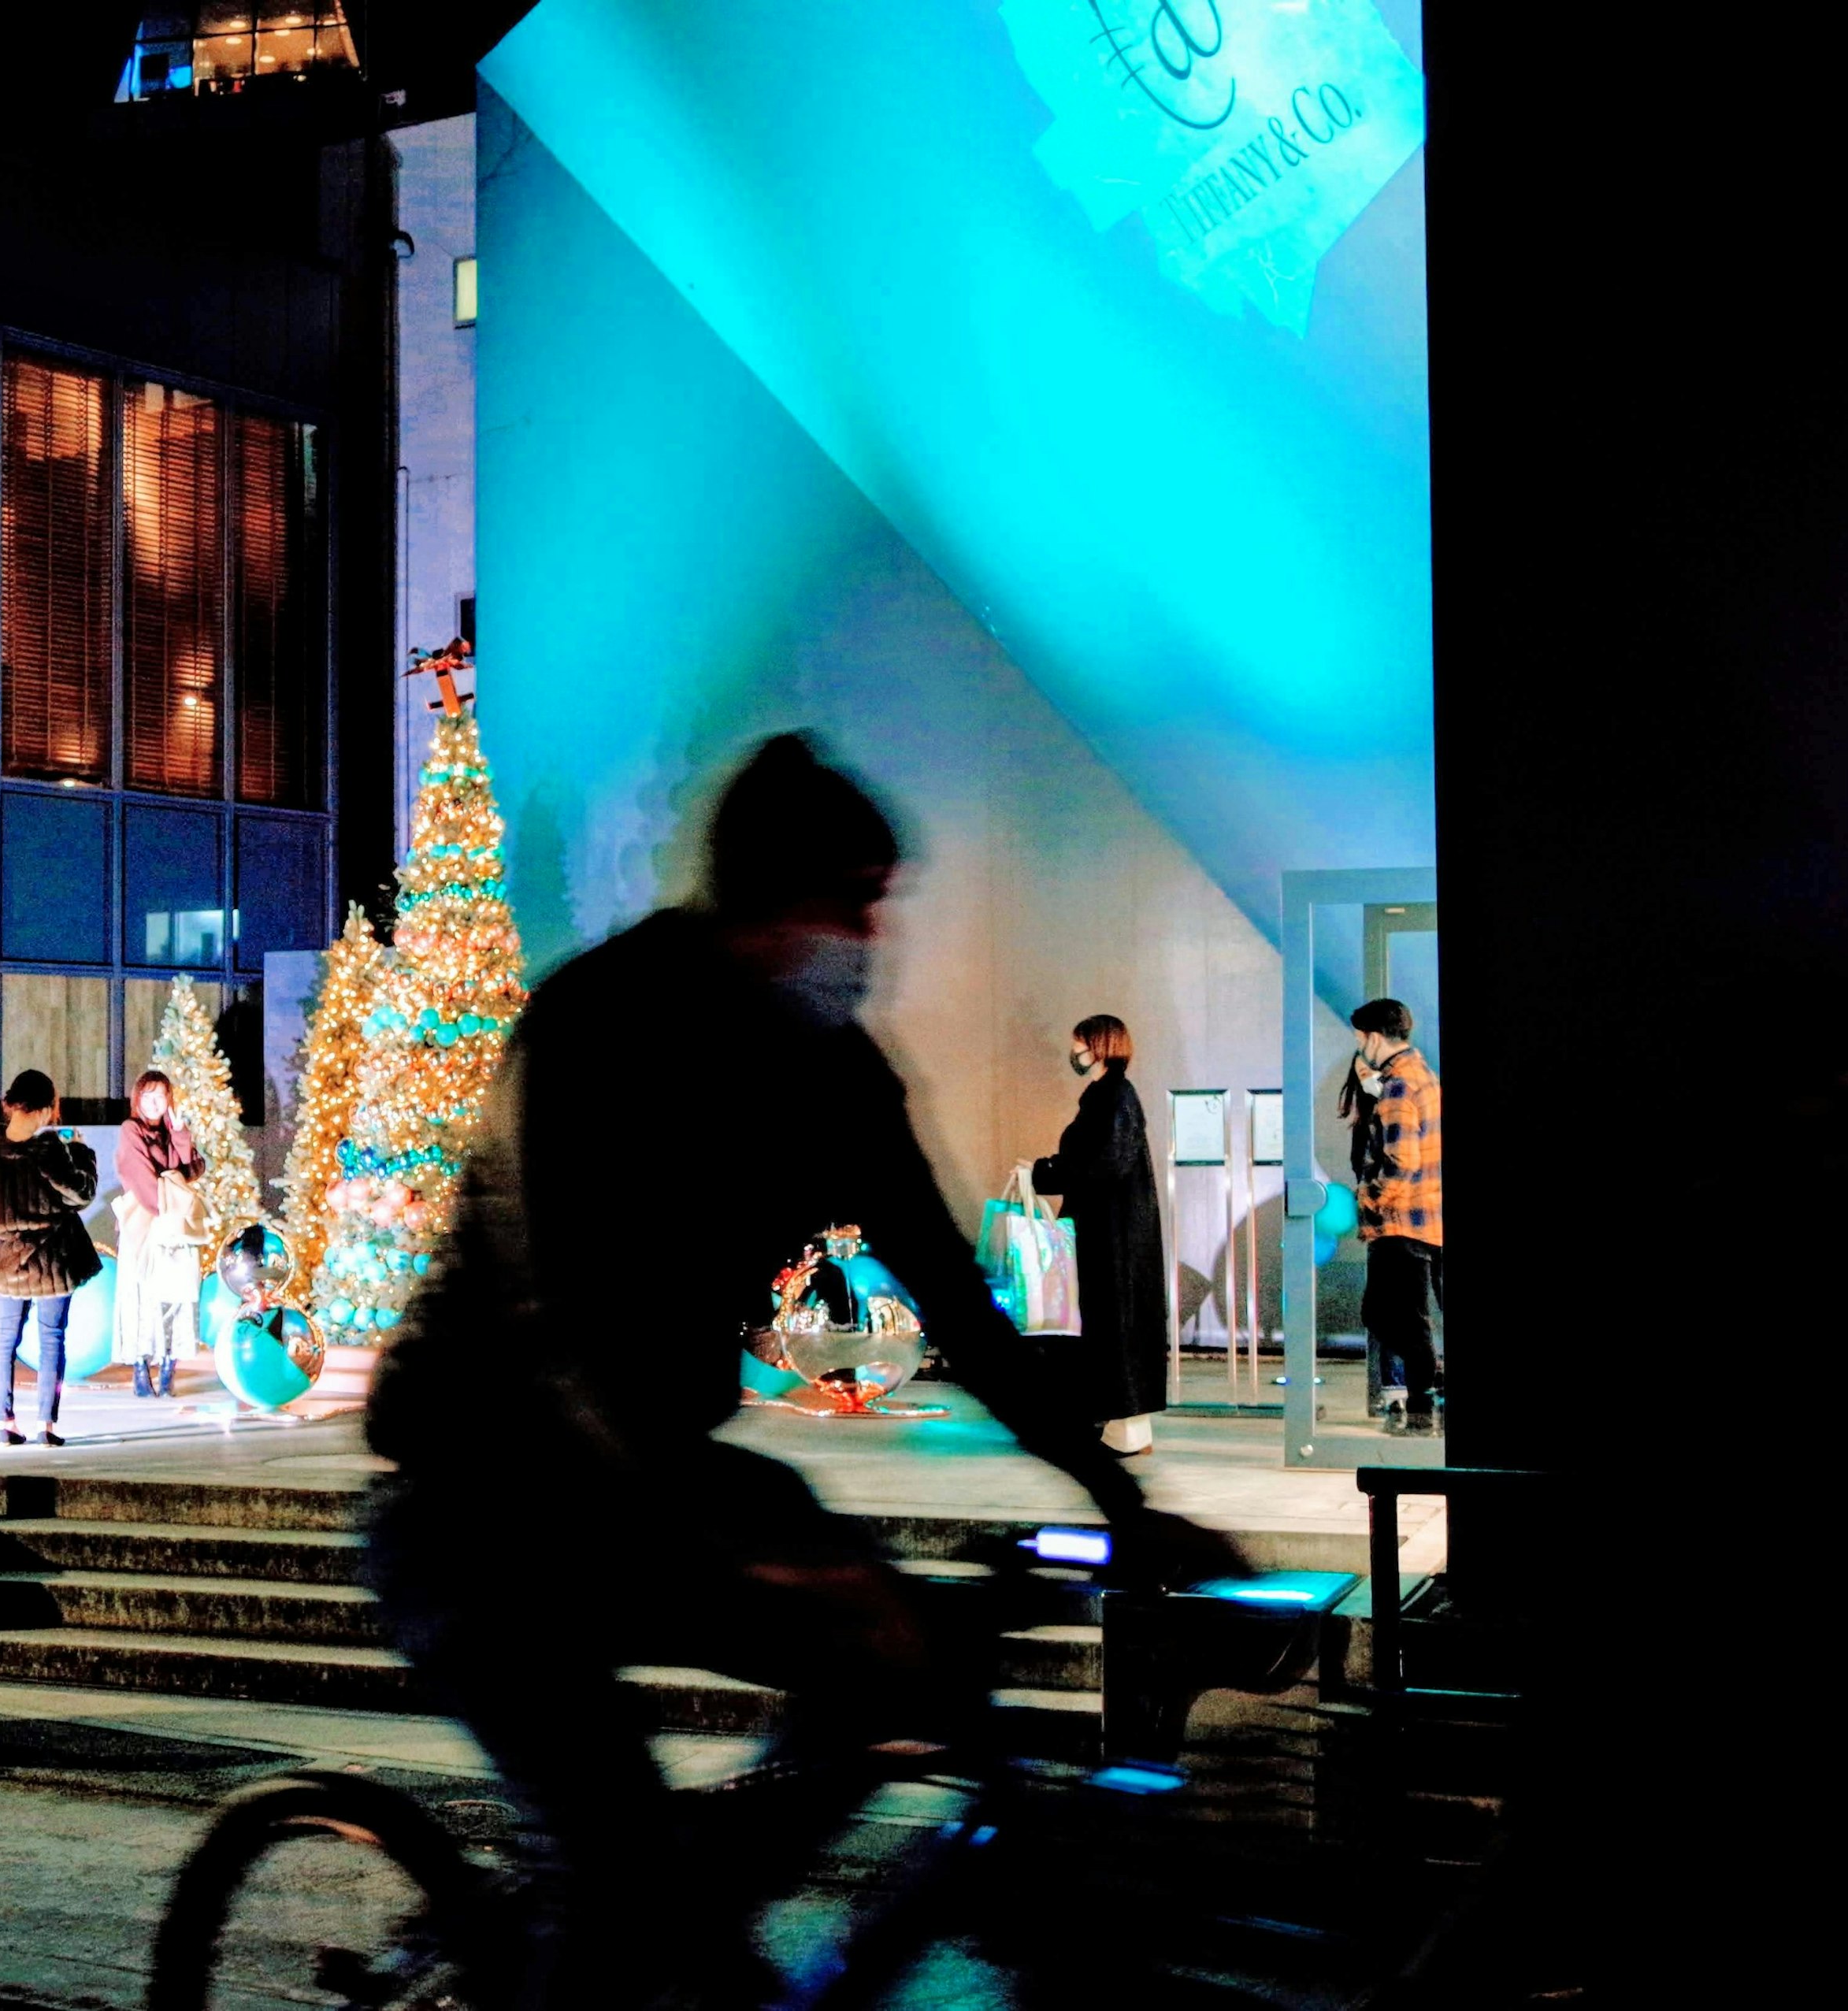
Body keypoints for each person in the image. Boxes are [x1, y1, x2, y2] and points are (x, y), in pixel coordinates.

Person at [365, 733, 1247, 2011]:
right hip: (482, 1495)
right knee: (618, 1869)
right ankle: (638, 1943)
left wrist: (1117, 1497)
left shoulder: (836, 1070)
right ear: (762, 896)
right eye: (855, 900)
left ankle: (706, 1934)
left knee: (910, 1665)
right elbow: (563, 1331)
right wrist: (758, 1551)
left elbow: (962, 1306)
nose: (872, 935)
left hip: (656, 1470)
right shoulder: (597, 1024)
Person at [1030, 1013, 1171, 1430]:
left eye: (1080, 1042)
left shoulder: (1112, 1096)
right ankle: (1122, 1424)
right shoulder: (1108, 1095)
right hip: (1107, 1231)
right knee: (1110, 1323)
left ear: (1099, 1046)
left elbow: (1103, 1164)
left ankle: (1111, 1419)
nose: (1074, 1051)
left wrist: (1046, 1172)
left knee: (1107, 1322)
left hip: (1108, 1235)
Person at [0, 1068, 102, 1445]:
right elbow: (82, 1194)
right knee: (51, 1338)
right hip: (52, 1264)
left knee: (4, 1339)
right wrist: (80, 1151)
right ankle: (47, 1425)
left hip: (6, 1261)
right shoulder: (49, 1150)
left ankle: (3, 1423)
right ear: (46, 1109)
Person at [1341, 997, 1443, 1434]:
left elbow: (1401, 1162)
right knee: (1401, 1315)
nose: (1360, 1048)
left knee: (1391, 1316)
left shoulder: (1400, 1085)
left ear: (1375, 1037)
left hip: (1401, 1222)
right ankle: (1427, 1389)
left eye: (1361, 1038)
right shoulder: (1423, 1076)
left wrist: (1370, 1198)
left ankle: (1425, 1394)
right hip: (1425, 1219)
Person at [112, 1069, 205, 1398]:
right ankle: (141, 1366)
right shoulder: (130, 1130)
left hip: (173, 1224)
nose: (153, 1103)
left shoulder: (172, 1129)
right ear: (137, 1100)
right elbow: (140, 1176)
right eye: (147, 1096)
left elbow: (193, 1168)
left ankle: (169, 1366)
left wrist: (181, 1135)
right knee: (142, 1294)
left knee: (177, 1294)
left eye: (160, 1096)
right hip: (147, 1222)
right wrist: (170, 1206)